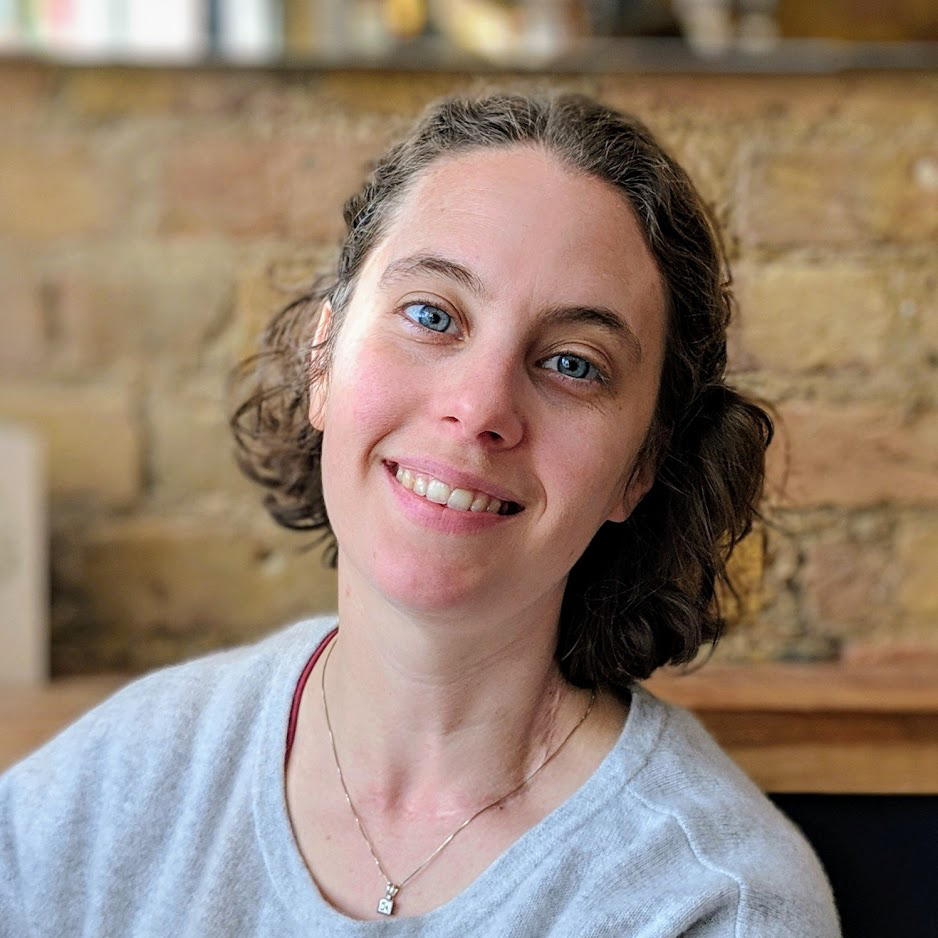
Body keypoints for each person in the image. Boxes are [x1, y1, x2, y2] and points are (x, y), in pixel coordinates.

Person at [0, 92, 840, 936]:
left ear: (643, 468)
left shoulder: (711, 904)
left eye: (573, 364)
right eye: (432, 315)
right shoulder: (111, 790)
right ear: (321, 357)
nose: (480, 407)